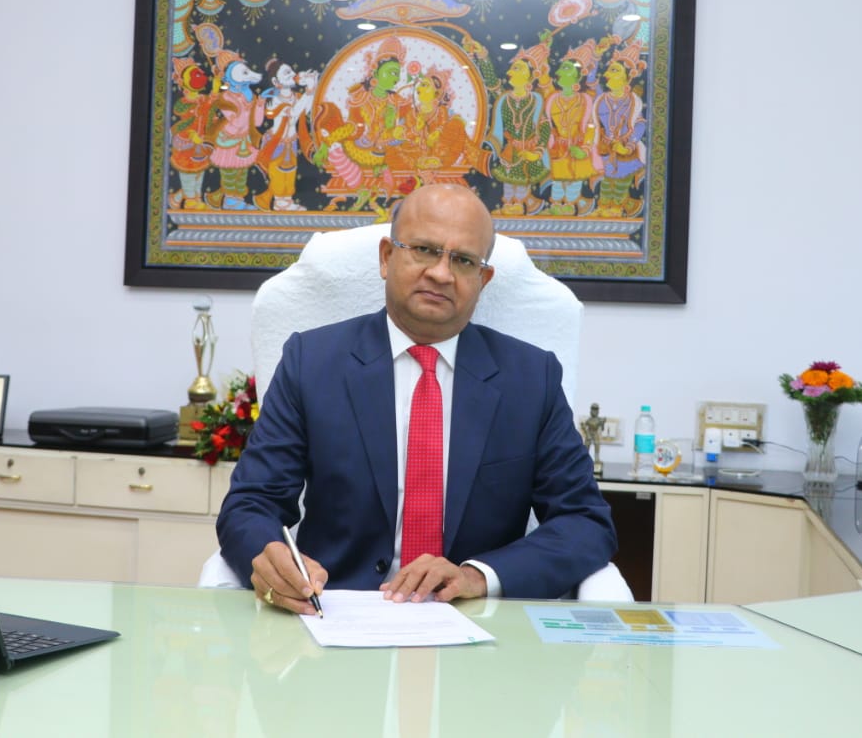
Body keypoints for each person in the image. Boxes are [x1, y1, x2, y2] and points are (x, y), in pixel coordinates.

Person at [216, 184, 617, 614]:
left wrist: (477, 576)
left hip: (477, 622)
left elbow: (585, 522)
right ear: (387, 257)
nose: (441, 274)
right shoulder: (312, 362)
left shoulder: (531, 378)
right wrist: (272, 558)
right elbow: (250, 504)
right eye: (424, 250)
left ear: (482, 280)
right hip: (336, 611)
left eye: (463, 260)